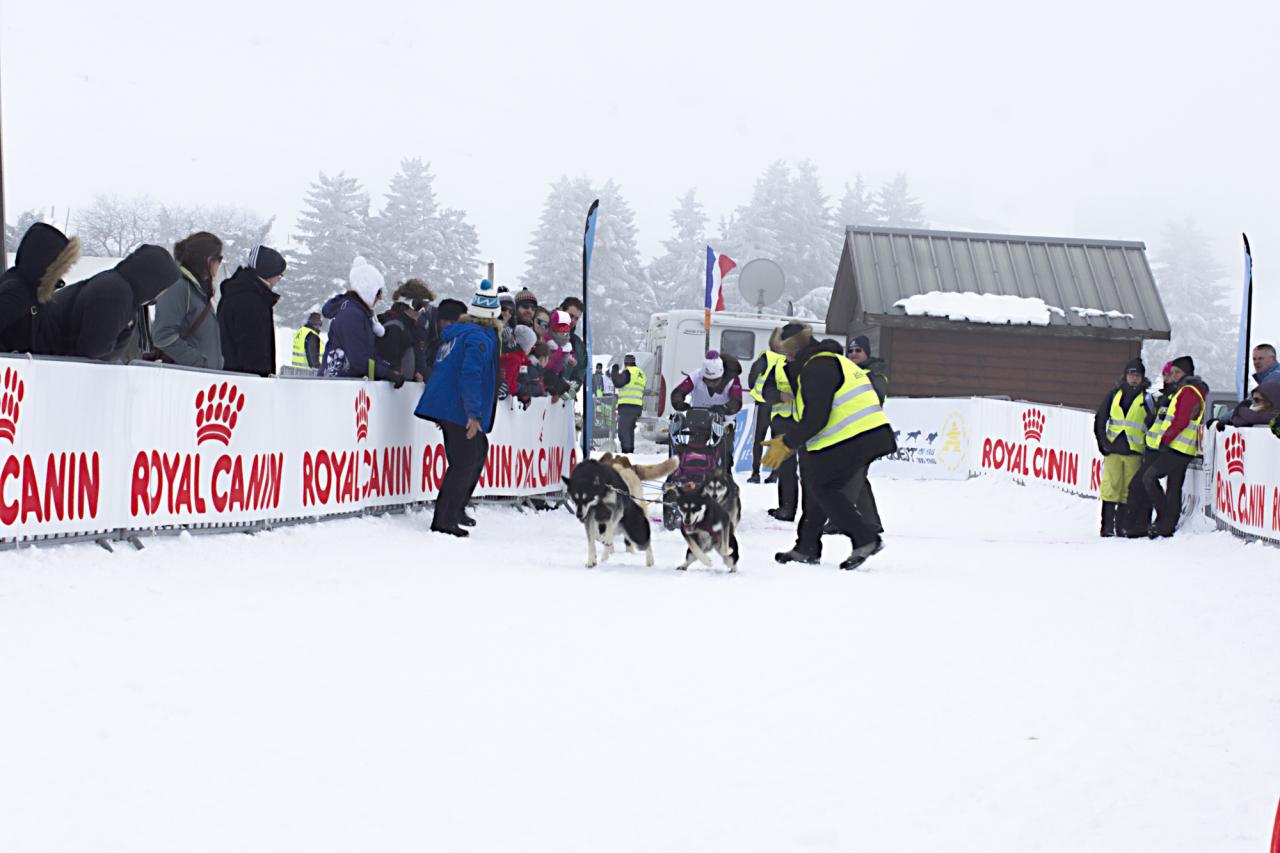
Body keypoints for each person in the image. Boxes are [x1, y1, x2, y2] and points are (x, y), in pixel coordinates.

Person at [765, 322, 896, 570]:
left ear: (793, 350)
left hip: (857, 436)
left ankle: (865, 538)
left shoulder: (819, 366)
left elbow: (817, 417)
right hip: (859, 435)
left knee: (823, 488)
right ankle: (807, 547)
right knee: (819, 488)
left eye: (786, 354)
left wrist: (787, 443)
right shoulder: (821, 362)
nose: (785, 360)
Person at [415, 279, 502, 537]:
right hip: (457, 407)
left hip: (445, 404)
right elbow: (470, 375)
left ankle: (455, 509)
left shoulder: (461, 332)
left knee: (475, 452)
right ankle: (444, 518)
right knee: (465, 461)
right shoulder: (480, 338)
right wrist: (473, 414)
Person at [33, 245, 180, 361]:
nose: (163, 294)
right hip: (44, 362)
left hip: (50, 361)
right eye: (164, 287)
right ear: (153, 281)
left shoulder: (121, 290)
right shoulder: (114, 294)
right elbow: (95, 350)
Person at [1141, 356, 1209, 538]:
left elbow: (1180, 420)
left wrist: (1165, 439)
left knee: (1149, 477)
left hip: (1178, 447)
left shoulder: (1188, 391)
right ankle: (1166, 525)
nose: (1174, 376)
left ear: (1186, 373)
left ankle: (1165, 517)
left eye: (1177, 372)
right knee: (1173, 486)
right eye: (1172, 372)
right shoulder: (1191, 390)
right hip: (1183, 447)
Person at [1093, 358, 1153, 537]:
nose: (1133, 378)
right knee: (1110, 489)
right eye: (1131, 374)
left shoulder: (1148, 399)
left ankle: (1122, 526)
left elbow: (1154, 425)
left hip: (1134, 451)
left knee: (1128, 491)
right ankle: (1107, 527)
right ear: (1125, 376)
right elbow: (1100, 419)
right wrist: (1103, 444)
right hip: (1113, 451)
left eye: (1137, 375)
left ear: (1142, 378)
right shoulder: (1113, 395)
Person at [318, 256, 401, 385]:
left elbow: (367, 354)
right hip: (338, 385)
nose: (380, 298)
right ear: (368, 290)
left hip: (344, 383)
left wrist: (387, 367)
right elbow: (358, 359)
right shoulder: (352, 315)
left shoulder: (359, 312)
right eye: (378, 292)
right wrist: (386, 373)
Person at [0, 223, 80, 353]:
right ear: (46, 265)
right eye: (61, 268)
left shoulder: (33, 290)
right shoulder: (17, 292)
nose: (62, 274)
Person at [153, 231, 224, 369]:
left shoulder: (197, 289)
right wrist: (199, 362)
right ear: (209, 260)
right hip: (187, 380)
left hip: (200, 379)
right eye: (220, 259)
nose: (219, 265)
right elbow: (163, 336)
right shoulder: (178, 286)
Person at [1120, 361, 1173, 538]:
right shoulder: (1160, 397)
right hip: (1150, 447)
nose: (1167, 377)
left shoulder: (1162, 397)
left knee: (1141, 483)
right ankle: (1138, 524)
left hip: (1161, 449)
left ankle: (1153, 521)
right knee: (1142, 484)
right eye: (1165, 374)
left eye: (1170, 374)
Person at [217, 245, 286, 377]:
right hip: (246, 384)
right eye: (279, 274)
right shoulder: (252, 302)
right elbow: (253, 350)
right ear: (268, 273)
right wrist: (261, 380)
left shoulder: (238, 291)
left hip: (231, 377)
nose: (279, 278)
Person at [376, 278, 434, 381]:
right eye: (420, 306)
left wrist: (415, 374)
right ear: (411, 304)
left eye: (426, 306)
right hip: (389, 391)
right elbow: (386, 366)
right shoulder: (395, 328)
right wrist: (397, 375)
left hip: (402, 390)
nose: (422, 311)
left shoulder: (410, 327)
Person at [670, 350, 743, 416]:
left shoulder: (732, 380)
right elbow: (678, 392)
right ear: (703, 376)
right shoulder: (696, 376)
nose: (711, 384)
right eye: (707, 380)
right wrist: (679, 403)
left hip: (724, 421)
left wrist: (724, 408)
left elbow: (736, 401)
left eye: (715, 380)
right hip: (698, 418)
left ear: (722, 377)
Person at [610, 354, 645, 453]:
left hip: (627, 406)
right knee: (629, 431)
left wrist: (614, 370)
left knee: (623, 432)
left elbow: (617, 382)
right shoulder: (641, 373)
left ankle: (627, 452)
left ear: (626, 363)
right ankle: (630, 452)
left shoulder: (628, 372)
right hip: (637, 406)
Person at [558, 296, 589, 390]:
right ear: (561, 310)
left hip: (562, 401)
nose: (573, 321)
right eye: (570, 316)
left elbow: (579, 376)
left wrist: (568, 389)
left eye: (576, 318)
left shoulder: (577, 344)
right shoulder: (542, 330)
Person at [500, 324, 539, 398]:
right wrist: (519, 387)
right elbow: (506, 383)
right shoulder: (514, 359)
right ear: (526, 345)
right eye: (532, 347)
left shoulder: (518, 358)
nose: (532, 349)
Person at [845, 335, 889, 400]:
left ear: (866, 353)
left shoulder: (876, 373)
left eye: (858, 350)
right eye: (850, 351)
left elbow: (876, 399)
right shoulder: (844, 371)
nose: (853, 353)